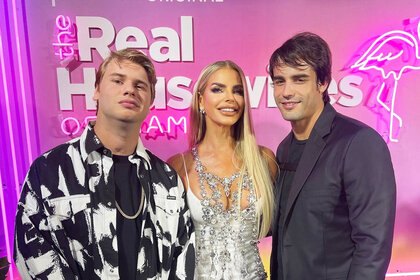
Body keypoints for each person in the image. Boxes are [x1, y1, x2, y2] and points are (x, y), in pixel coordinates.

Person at [14, 49, 195, 280]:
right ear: (97, 90)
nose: (129, 89)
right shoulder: (50, 169)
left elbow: (183, 256)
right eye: (118, 81)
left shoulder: (167, 178)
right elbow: (32, 254)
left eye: (140, 86)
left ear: (150, 101)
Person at [269, 32, 396, 280]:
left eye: (299, 79)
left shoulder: (358, 142)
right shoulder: (284, 148)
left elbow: (373, 245)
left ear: (323, 82)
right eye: (279, 81)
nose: (286, 91)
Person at [168, 60, 277, 279]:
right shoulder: (178, 165)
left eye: (237, 91)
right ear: (201, 100)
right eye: (218, 89)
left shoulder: (264, 160)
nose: (230, 98)